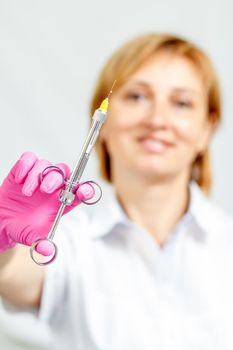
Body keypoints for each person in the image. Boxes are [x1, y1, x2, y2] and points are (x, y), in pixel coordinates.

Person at [0, 32, 233, 350]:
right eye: (137, 96)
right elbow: (15, 277)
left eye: (181, 103)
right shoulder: (69, 243)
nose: (157, 119)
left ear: (206, 130)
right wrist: (2, 241)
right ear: (103, 123)